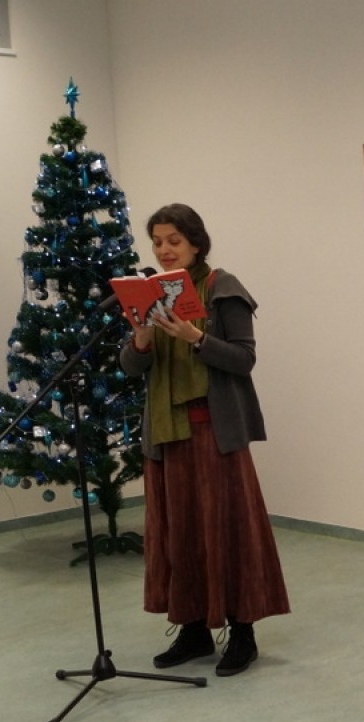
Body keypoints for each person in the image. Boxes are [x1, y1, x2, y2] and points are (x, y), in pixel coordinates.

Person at [119, 203, 290, 676]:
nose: (164, 249)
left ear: (196, 242)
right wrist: (141, 339)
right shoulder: (151, 294)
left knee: (226, 532)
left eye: (174, 240)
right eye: (157, 241)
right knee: (181, 535)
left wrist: (195, 337)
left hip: (214, 433)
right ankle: (193, 629)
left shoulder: (221, 287)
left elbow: (243, 359)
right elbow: (131, 368)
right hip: (166, 435)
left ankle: (242, 634)